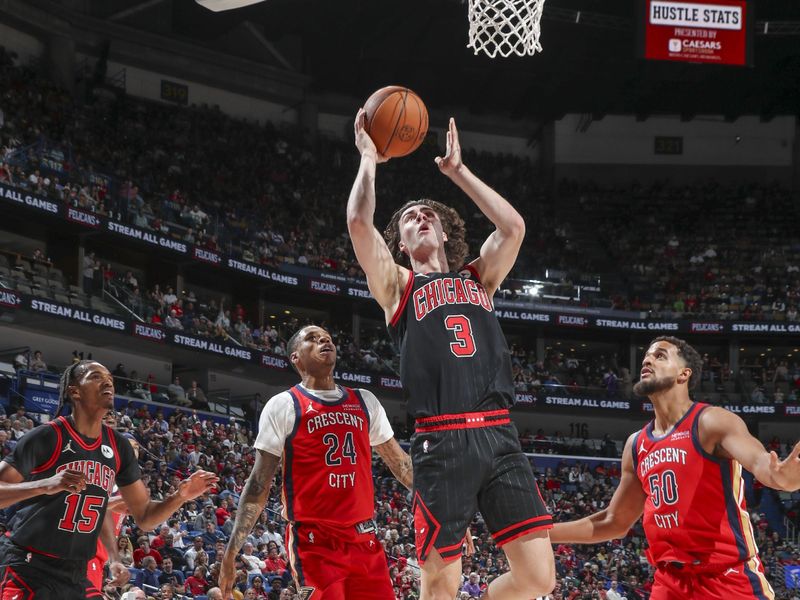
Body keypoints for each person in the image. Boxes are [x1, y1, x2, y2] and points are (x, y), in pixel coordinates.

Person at [346, 112, 554, 600]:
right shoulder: (399, 285)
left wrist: (458, 172)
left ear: (443, 233)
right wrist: (369, 159)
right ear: (401, 243)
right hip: (442, 440)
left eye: (428, 216)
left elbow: (514, 227)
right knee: (440, 580)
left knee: (539, 577)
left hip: (499, 434)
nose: (420, 218)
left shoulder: (478, 278)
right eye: (410, 219)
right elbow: (358, 222)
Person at [550, 336, 800, 599]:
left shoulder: (711, 421)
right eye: (647, 356)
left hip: (726, 579)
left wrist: (784, 478)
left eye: (660, 356)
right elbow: (614, 522)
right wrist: (541, 534)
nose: (647, 360)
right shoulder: (636, 444)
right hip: (670, 583)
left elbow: (763, 465)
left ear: (684, 374)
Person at [220, 325, 413, 599]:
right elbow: (259, 484)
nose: (324, 339)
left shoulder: (365, 401)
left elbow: (401, 465)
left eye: (328, 337)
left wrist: (442, 514)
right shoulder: (283, 405)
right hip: (314, 543)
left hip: (363, 539)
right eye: (312, 338)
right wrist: (232, 551)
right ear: (295, 358)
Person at [0, 360, 218, 599]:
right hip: (30, 566)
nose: (107, 382)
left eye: (110, 379)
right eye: (95, 376)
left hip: (77, 572)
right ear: (74, 391)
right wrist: (45, 484)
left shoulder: (119, 446)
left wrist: (180, 496)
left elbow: (144, 517)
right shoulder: (47, 436)